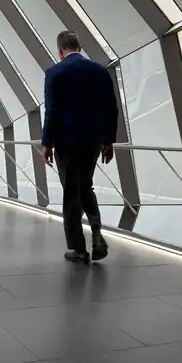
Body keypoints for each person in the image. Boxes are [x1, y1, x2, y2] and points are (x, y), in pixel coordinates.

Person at [41, 30, 119, 264]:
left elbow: (52, 111)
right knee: (86, 186)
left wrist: (47, 143)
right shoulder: (99, 70)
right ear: (80, 46)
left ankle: (77, 248)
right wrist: (108, 141)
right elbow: (111, 108)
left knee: (71, 193)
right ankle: (95, 229)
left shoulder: (54, 73)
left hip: (66, 141)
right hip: (93, 140)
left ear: (60, 51)